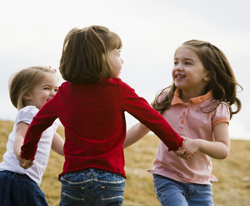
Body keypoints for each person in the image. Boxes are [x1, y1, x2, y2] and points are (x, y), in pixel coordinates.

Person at [17, 25, 186, 206]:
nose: (122, 61)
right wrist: (176, 144)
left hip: (74, 178)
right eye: (118, 54)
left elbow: (38, 123)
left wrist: (28, 153)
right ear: (101, 58)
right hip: (109, 178)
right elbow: (153, 118)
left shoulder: (64, 92)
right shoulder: (119, 89)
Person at [123, 39, 242, 206]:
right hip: (167, 178)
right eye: (176, 62)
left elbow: (223, 149)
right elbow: (141, 127)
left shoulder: (217, 107)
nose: (178, 67)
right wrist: (113, 146)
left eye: (187, 63)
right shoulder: (166, 99)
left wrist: (198, 144)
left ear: (207, 75)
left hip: (201, 184)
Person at [0, 66, 64, 206]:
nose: (53, 93)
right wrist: (20, 153)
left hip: (23, 179)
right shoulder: (31, 112)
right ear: (27, 95)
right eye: (47, 88)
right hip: (16, 177)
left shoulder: (49, 122)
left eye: (56, 89)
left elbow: (63, 148)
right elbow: (20, 136)